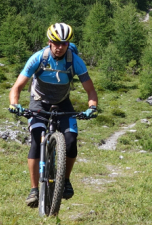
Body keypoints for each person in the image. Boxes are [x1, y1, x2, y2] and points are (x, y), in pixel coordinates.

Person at [8, 22, 98, 208]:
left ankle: (65, 180)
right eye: (56, 43)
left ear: (68, 44)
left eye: (64, 43)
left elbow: (91, 91)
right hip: (39, 101)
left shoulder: (75, 61)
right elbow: (17, 87)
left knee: (71, 140)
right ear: (49, 42)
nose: (59, 47)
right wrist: (15, 104)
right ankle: (34, 189)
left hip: (62, 101)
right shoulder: (38, 58)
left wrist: (92, 107)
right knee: (36, 139)